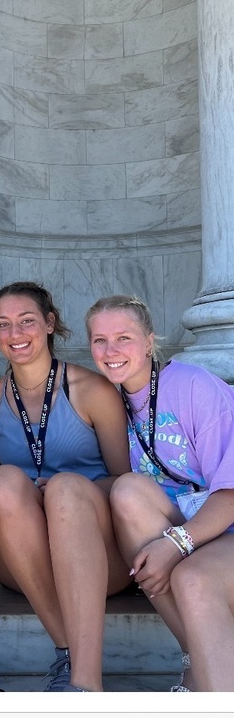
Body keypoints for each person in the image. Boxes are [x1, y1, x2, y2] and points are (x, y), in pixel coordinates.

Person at [0, 281, 131, 692]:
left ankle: (84, 683)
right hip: (22, 562)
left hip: (95, 552)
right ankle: (68, 649)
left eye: (26, 321)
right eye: (3, 325)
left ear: (49, 324)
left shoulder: (93, 391)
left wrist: (64, 489)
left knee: (65, 489)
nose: (15, 334)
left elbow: (125, 481)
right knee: (3, 482)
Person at [86, 294, 234, 692]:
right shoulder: (105, 401)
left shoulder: (193, 386)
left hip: (226, 524)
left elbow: (230, 491)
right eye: (99, 340)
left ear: (150, 341)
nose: (111, 351)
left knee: (193, 577)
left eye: (124, 338)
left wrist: (176, 543)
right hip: (179, 523)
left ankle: (215, 704)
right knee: (129, 491)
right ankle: (197, 656)